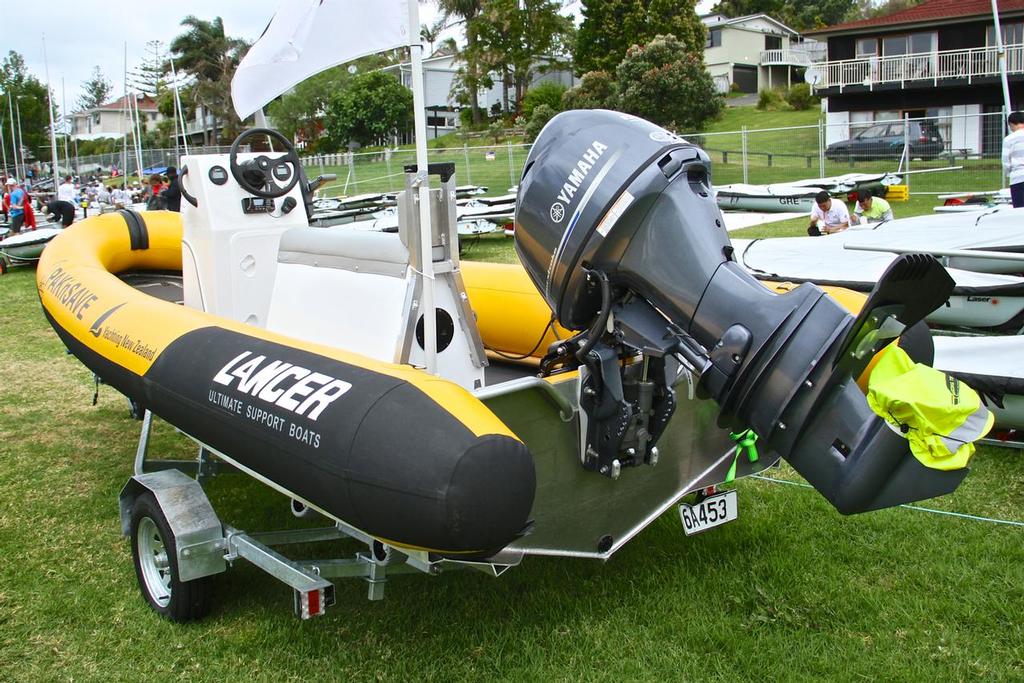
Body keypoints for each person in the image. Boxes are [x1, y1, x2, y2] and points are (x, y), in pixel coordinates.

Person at [1002, 111, 1024, 208]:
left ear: (1011, 124)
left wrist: (1008, 174)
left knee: (1020, 211)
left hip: (1017, 178)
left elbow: (1006, 162)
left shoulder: (1008, 139)